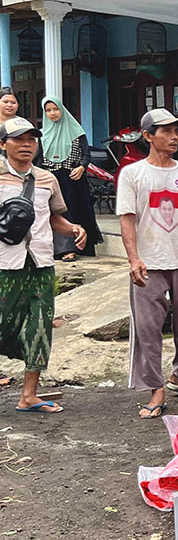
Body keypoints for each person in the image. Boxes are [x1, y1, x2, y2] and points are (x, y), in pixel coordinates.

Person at [116, 109, 178, 419]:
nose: (174, 137)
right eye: (166, 131)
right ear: (148, 136)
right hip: (148, 264)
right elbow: (127, 220)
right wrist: (133, 259)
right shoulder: (133, 175)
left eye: (176, 131)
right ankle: (155, 388)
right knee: (148, 329)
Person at [0, 117, 86, 414]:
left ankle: (29, 395)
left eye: (31, 139)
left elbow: (54, 219)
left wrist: (74, 229)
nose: (26, 144)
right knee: (3, 326)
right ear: (2, 145)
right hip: (3, 266)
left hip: (40, 263)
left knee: (39, 327)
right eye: (18, 139)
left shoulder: (48, 179)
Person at [38, 97, 101, 260]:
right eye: (48, 110)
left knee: (74, 211)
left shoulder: (75, 130)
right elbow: (38, 160)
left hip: (73, 179)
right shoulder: (42, 135)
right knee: (57, 214)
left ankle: (77, 247)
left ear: (62, 109)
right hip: (51, 179)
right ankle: (64, 249)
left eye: (55, 109)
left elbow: (86, 153)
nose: (52, 113)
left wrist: (81, 167)